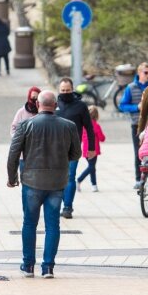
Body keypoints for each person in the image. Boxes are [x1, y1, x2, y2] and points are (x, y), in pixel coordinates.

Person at [7, 90, 81, 279]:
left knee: (29, 223)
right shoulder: (69, 126)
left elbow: (13, 153)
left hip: (31, 181)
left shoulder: (26, 125)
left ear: (38, 105)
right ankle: (48, 267)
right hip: (57, 182)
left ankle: (28, 265)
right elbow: (76, 154)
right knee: (52, 225)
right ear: (55, 105)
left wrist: (12, 177)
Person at [55, 77, 95, 219]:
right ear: (59, 90)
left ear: (72, 90)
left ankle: (67, 207)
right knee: (57, 178)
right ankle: (56, 205)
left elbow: (89, 128)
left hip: (73, 147)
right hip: (55, 149)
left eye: (68, 90)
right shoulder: (54, 104)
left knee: (70, 176)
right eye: (63, 90)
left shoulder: (81, 106)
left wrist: (91, 148)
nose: (65, 92)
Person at [119, 62, 148, 189]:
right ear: (139, 73)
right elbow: (122, 105)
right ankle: (139, 179)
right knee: (138, 152)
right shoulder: (131, 87)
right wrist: (136, 107)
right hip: (137, 125)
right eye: (146, 73)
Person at [76, 105, 106, 193]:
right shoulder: (96, 125)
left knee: (92, 167)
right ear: (96, 115)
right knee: (91, 167)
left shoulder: (83, 126)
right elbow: (102, 138)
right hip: (93, 150)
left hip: (85, 150)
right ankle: (79, 180)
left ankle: (94, 185)